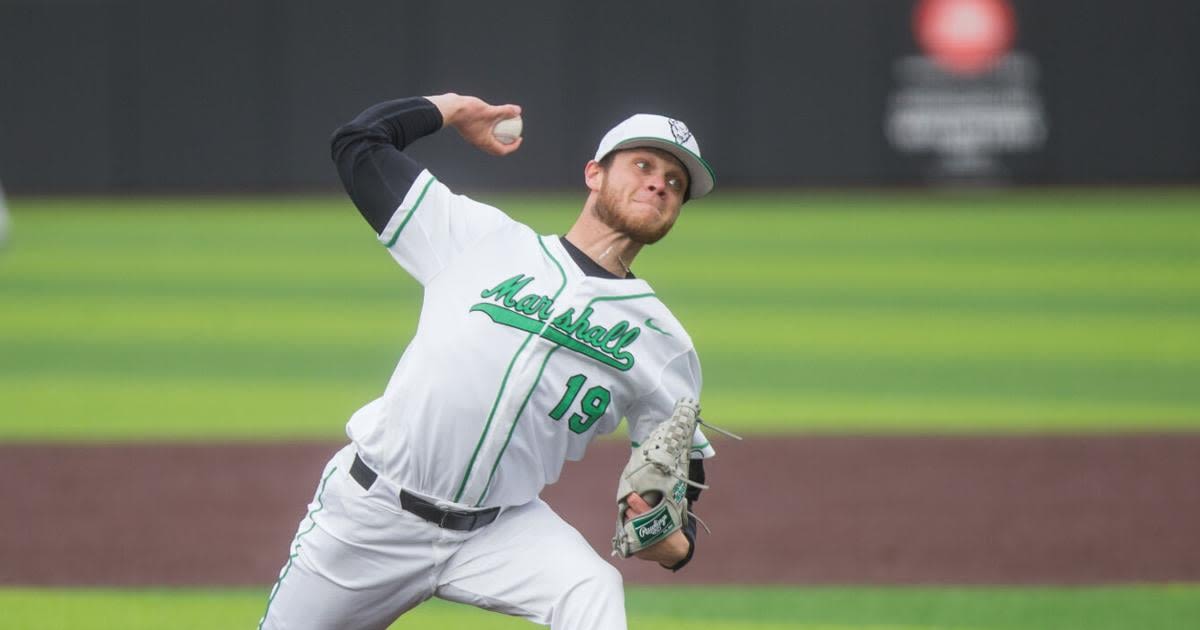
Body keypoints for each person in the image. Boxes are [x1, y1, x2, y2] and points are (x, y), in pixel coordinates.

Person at [259, 93, 718, 630]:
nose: (660, 183)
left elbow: (677, 475)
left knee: (591, 588)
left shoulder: (662, 342)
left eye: (676, 182)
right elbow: (358, 144)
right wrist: (451, 109)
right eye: (643, 165)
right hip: (369, 515)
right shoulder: (480, 240)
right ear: (594, 174)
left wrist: (675, 547)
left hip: (497, 532)